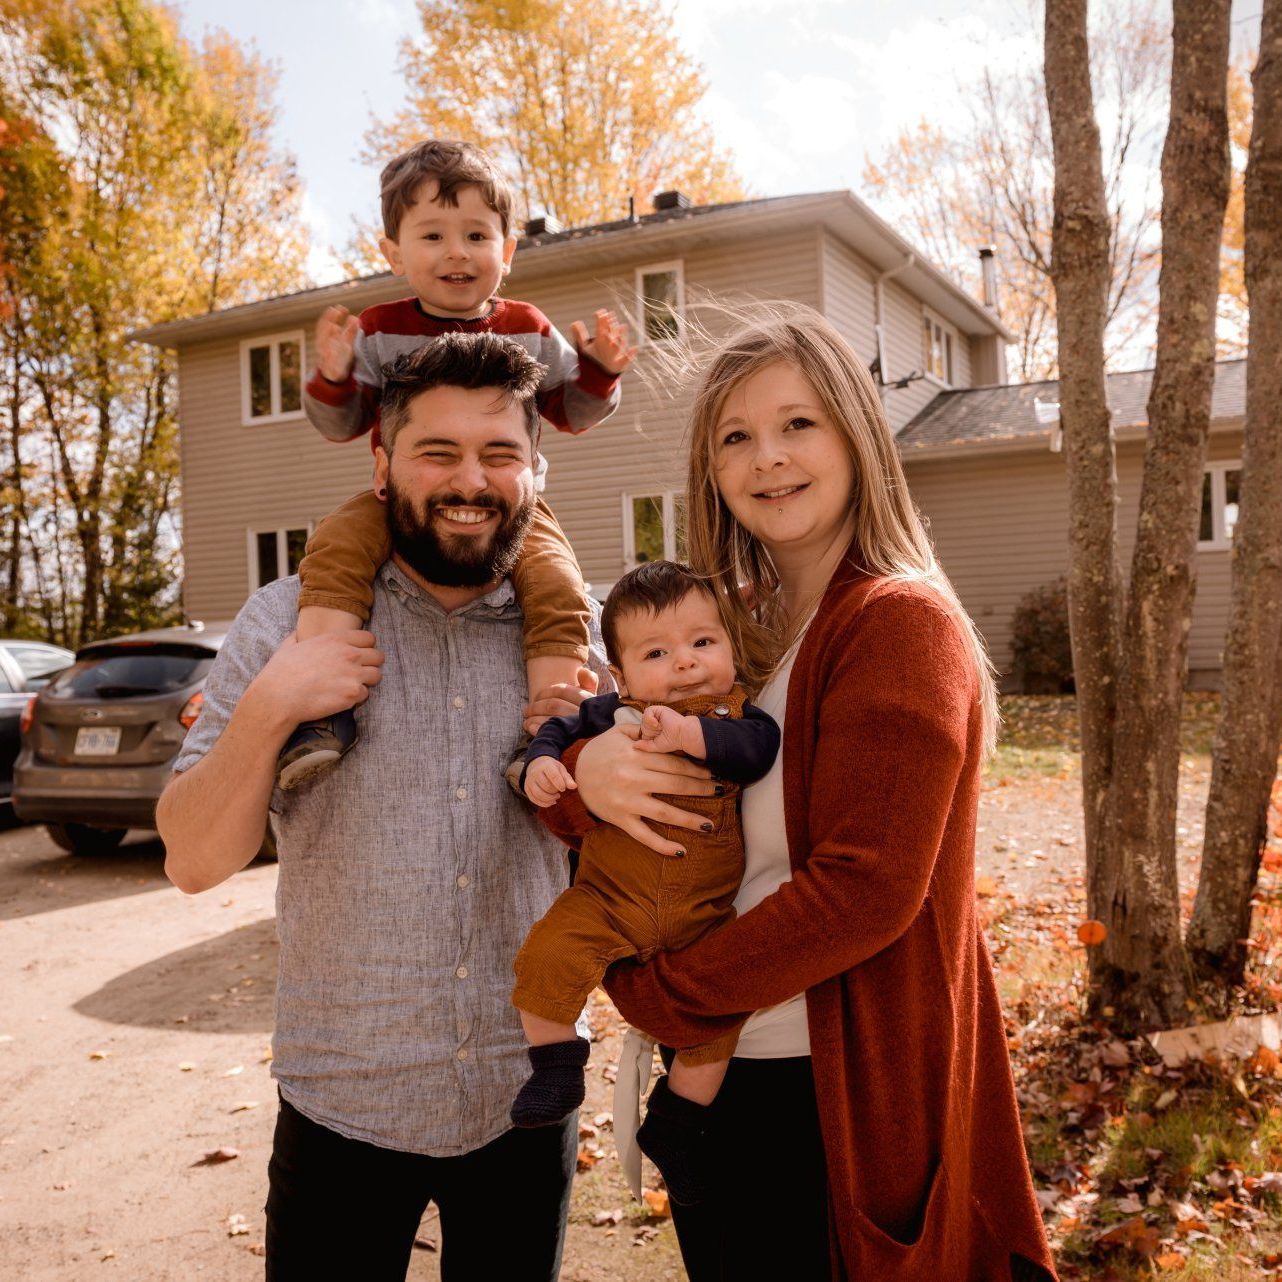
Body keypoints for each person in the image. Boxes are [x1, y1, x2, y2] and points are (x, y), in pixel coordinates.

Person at [539, 308, 1058, 1281]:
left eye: (797, 425)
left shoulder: (896, 622)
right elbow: (605, 781)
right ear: (711, 467)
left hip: (819, 1106)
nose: (767, 458)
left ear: (856, 434)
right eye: (736, 436)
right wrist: (586, 775)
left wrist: (656, 996)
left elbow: (862, 890)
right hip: (733, 1097)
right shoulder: (733, 642)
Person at [157, 332, 616, 1282]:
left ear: (537, 467)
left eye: (498, 454)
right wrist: (277, 700)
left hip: (525, 1096)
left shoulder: (579, 648)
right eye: (436, 452)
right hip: (342, 1101)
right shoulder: (286, 620)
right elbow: (193, 861)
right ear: (380, 463)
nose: (470, 481)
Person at [280, 137, 634, 788]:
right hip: (400, 503)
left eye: (476, 234)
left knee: (558, 585)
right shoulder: (381, 329)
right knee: (334, 549)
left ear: (507, 250)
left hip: (514, 513)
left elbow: (568, 412)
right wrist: (333, 378)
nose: (456, 253)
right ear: (393, 253)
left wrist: (602, 373)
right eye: (433, 235)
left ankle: (549, 735)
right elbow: (344, 424)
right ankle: (319, 713)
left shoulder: (528, 325)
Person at [510, 560, 780, 1208]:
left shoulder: (740, 715)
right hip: (609, 901)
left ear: (729, 647)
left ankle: (675, 1123)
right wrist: (541, 763)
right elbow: (556, 729)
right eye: (658, 652)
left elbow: (757, 751)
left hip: (703, 916)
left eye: (702, 643)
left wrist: (692, 733)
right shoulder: (610, 714)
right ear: (622, 676)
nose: (685, 663)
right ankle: (556, 1065)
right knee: (545, 956)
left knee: (718, 1023)